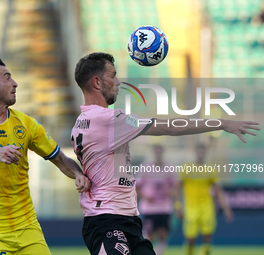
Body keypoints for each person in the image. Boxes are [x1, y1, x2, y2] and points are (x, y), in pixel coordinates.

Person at [70, 52, 259, 255]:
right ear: (97, 82)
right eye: (113, 75)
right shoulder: (109, 119)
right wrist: (221, 123)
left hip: (126, 220)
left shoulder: (81, 123)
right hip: (106, 221)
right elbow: (171, 127)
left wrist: (78, 174)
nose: (118, 82)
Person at [0, 57, 91, 255]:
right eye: (7, 78)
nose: (15, 83)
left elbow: (60, 159)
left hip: (27, 227)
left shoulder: (26, 124)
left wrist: (77, 173)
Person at [174, 143, 233, 255]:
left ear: (205, 152)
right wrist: (177, 206)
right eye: (198, 150)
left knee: (207, 237)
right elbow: (177, 188)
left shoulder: (210, 169)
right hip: (191, 208)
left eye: (202, 151)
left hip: (207, 207)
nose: (200, 153)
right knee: (191, 239)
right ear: (195, 152)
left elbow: (218, 190)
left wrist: (226, 208)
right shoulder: (186, 168)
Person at [136, 145, 176, 255]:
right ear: (153, 153)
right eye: (156, 152)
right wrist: (145, 197)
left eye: (160, 152)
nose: (158, 154)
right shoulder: (145, 167)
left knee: (163, 234)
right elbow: (136, 186)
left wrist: (171, 193)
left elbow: (175, 186)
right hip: (149, 209)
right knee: (150, 236)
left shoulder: (169, 168)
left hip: (164, 207)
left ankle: (158, 253)